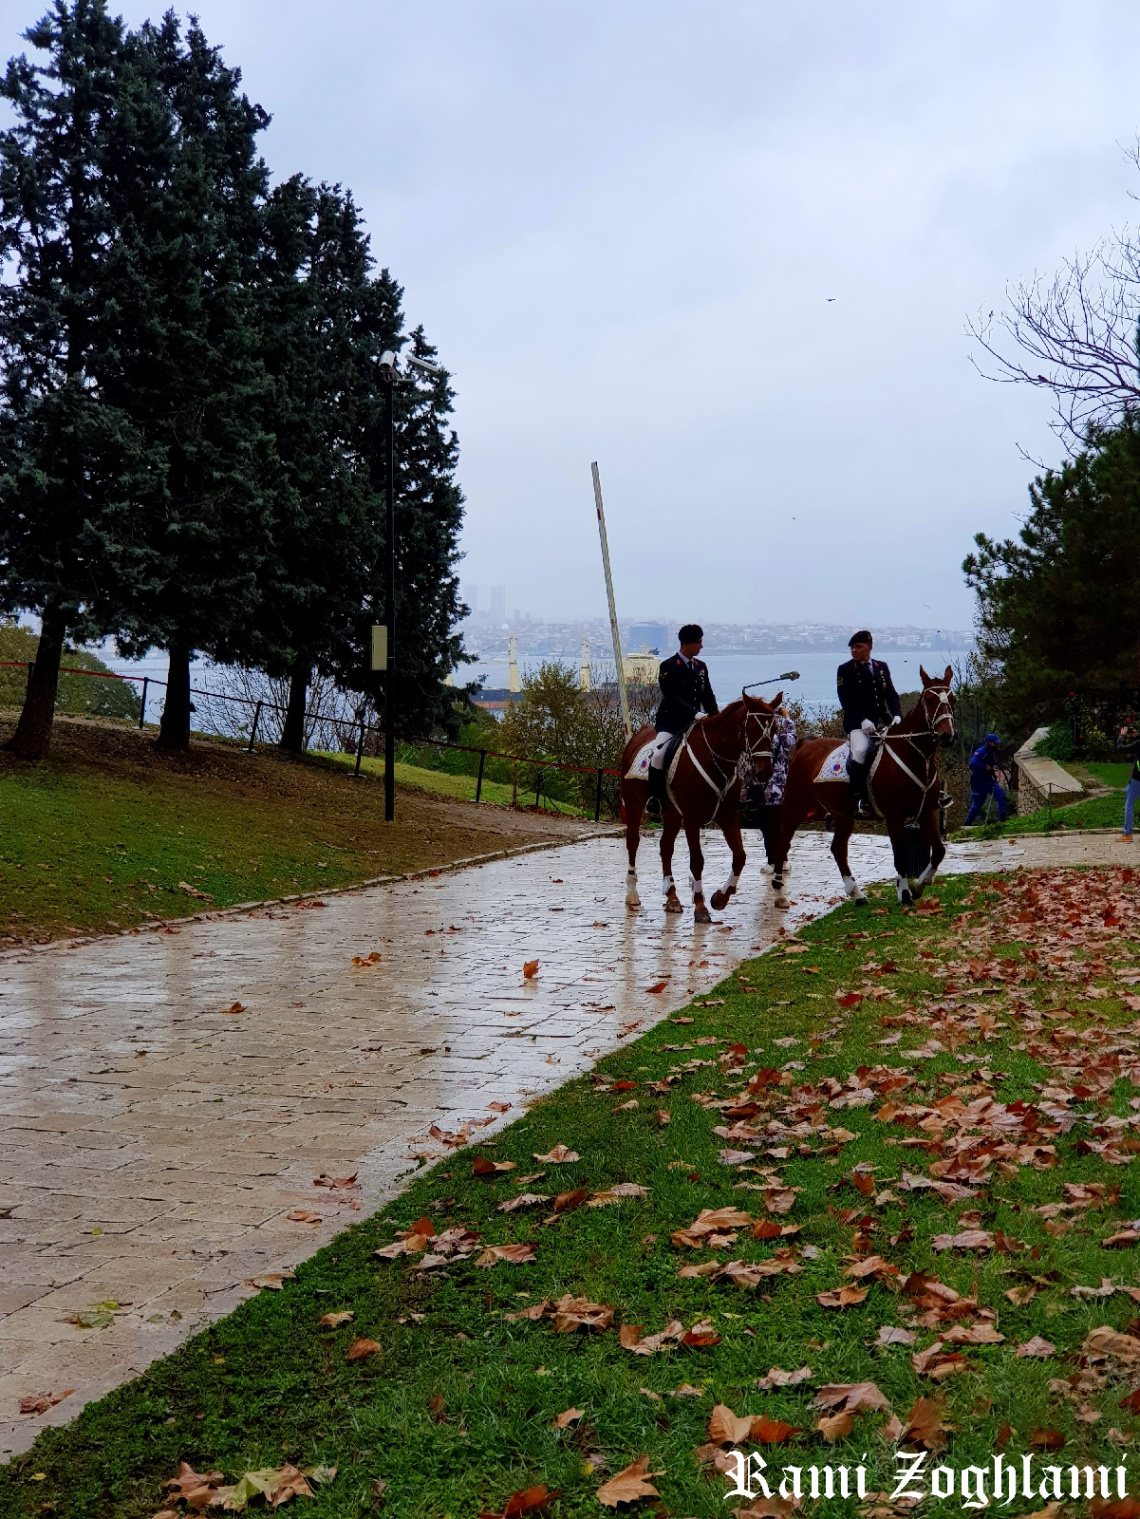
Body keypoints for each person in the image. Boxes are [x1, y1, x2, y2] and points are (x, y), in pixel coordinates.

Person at [645, 623, 719, 819]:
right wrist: (694, 713)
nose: (701, 647)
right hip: (671, 722)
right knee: (659, 754)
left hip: (697, 723)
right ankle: (655, 799)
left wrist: (717, 719)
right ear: (687, 643)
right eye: (698, 642)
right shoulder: (668, 666)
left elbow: (708, 696)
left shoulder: (700, 667)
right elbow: (671, 697)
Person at [836, 630, 901, 817]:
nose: (854, 651)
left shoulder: (881, 667)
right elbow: (845, 701)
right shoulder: (845, 670)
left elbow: (891, 694)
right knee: (860, 751)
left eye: (858, 647)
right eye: (852, 648)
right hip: (857, 724)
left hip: (882, 721)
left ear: (869, 647)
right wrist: (862, 720)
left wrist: (897, 714)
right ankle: (859, 798)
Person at [965, 733, 1008, 824]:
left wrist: (993, 774)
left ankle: (1003, 817)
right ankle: (968, 823)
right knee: (977, 803)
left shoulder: (992, 753)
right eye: (995, 743)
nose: (996, 745)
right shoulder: (980, 752)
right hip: (978, 781)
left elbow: (991, 766)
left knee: (1000, 795)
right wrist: (984, 766)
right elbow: (972, 764)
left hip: (989, 779)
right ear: (989, 742)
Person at [1117, 721, 1140, 842]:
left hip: (1138, 779)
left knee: (1129, 804)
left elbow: (1121, 749)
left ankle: (1127, 834)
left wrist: (1122, 735)